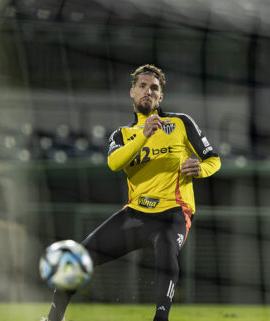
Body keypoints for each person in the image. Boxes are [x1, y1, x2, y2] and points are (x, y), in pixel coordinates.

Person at [42, 64, 221, 321]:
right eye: (142, 86)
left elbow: (214, 159)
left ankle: (161, 318)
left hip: (173, 213)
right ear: (132, 92)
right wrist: (144, 134)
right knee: (79, 257)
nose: (148, 91)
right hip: (136, 213)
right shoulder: (122, 135)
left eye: (154, 88)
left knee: (166, 250)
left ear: (161, 97)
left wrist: (200, 169)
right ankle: (53, 317)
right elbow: (114, 163)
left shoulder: (180, 123)